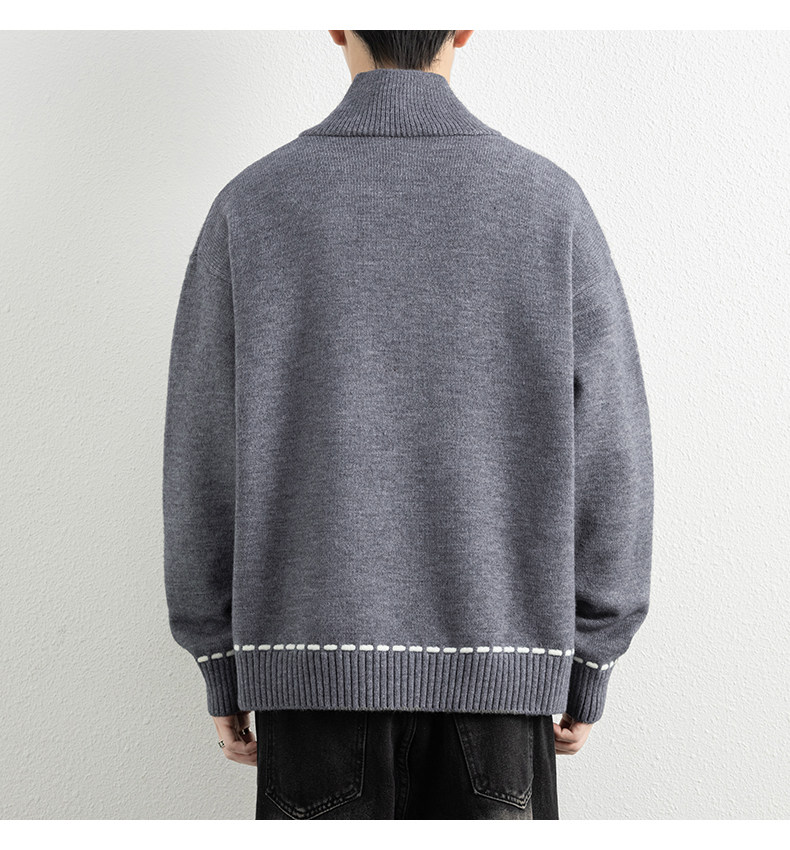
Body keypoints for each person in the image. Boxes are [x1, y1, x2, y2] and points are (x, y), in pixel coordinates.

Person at [162, 30, 654, 819]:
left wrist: (219, 656)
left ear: (337, 25)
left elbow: (201, 456)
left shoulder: (253, 206)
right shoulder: (548, 204)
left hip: (308, 679)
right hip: (501, 683)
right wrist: (591, 656)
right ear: (463, 27)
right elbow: (613, 452)